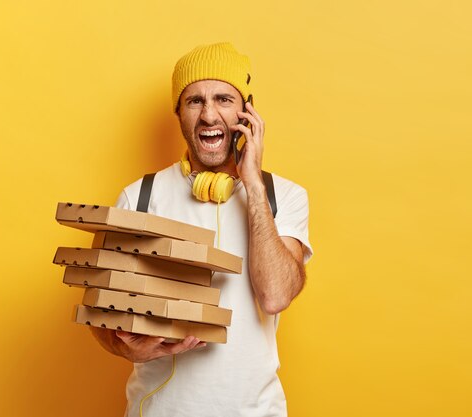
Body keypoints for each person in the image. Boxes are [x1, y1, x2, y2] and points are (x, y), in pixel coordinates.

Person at [90, 42, 313, 417]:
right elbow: (98, 312)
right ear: (178, 112)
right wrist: (126, 348)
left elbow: (275, 297)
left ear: (247, 113)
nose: (209, 115)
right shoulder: (139, 197)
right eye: (194, 101)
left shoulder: (282, 196)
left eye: (224, 99)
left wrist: (253, 184)